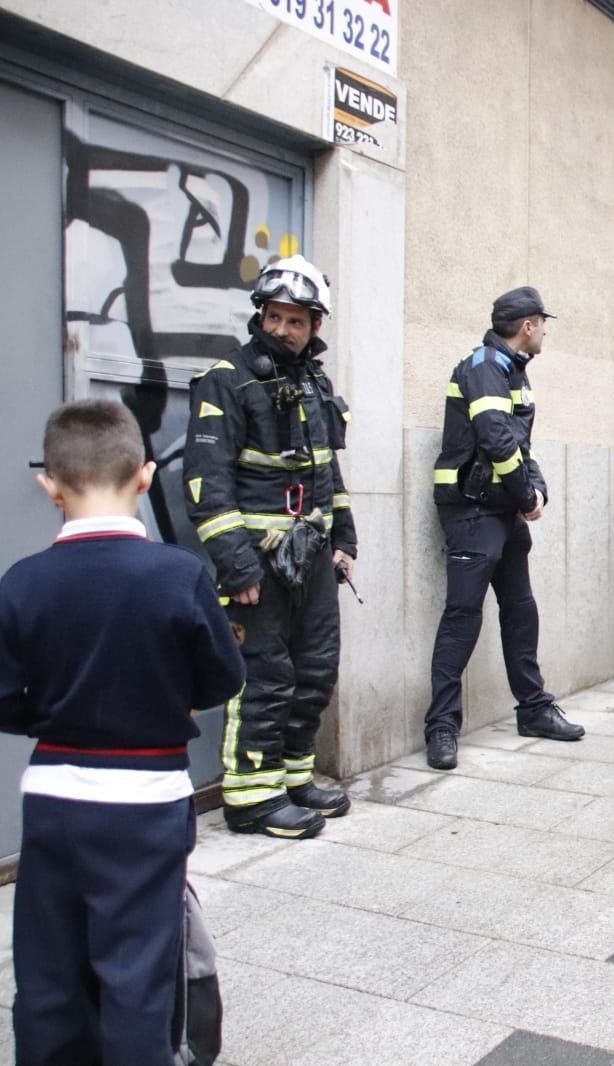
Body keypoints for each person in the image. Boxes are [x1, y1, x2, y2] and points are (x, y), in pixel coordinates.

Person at [0, 401, 245, 1064]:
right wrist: (171, 701)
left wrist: (48, 716)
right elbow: (222, 679)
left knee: (48, 969)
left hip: (54, 797)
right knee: (137, 973)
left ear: (48, 484)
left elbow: (2, 699)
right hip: (147, 797)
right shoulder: (180, 576)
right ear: (145, 476)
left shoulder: (22, 583)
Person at [185, 255, 357, 838]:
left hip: (313, 555)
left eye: (296, 321)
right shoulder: (226, 380)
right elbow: (207, 484)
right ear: (260, 316)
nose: (282, 330)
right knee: (263, 677)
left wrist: (344, 539)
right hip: (258, 561)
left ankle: (292, 777)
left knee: (314, 672)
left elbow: (326, 471)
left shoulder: (315, 382)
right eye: (274, 318)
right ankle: (251, 798)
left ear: (315, 326)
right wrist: (237, 567)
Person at [423, 286, 585, 771]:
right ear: (528, 325)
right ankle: (442, 727)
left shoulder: (512, 371)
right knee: (462, 617)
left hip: (503, 511)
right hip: (472, 513)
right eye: (543, 324)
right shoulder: (485, 367)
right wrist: (524, 495)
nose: (545, 333)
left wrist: (536, 491)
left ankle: (533, 709)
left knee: (520, 609)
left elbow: (520, 444)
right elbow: (495, 439)